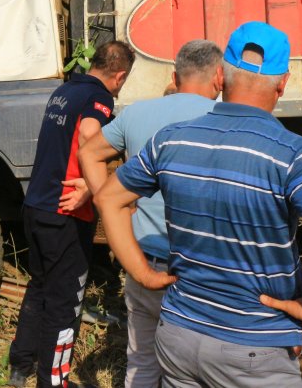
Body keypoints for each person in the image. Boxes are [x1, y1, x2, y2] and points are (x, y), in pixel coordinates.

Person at [95, 22, 302, 388]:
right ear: (282, 84)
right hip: (258, 347)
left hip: (179, 338)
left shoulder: (169, 141)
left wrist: (142, 273)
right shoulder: (295, 155)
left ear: (220, 76)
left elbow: (108, 198)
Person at [64, 39, 223, 388]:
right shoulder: (225, 120)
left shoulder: (136, 114)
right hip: (205, 270)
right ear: (219, 77)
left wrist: (111, 198)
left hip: (143, 262)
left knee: (142, 360)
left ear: (174, 76)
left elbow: (89, 151)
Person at [9, 40, 136, 388]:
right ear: (120, 76)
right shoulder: (99, 98)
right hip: (65, 211)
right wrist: (92, 186)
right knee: (66, 303)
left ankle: (21, 367)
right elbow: (89, 135)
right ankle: (54, 382)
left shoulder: (64, 91)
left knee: (39, 288)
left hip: (36, 206)